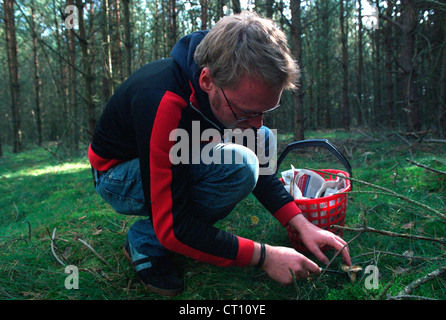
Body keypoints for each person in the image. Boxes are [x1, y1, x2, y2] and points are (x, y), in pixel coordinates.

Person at [88, 11, 351, 297]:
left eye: (266, 110)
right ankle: (145, 242)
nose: (258, 121)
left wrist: (300, 223)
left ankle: (161, 234)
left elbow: (263, 170)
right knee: (240, 166)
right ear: (206, 81)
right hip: (118, 175)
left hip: (180, 149)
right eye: (248, 111)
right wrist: (265, 256)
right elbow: (173, 229)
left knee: (259, 140)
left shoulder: (228, 80)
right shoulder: (163, 100)